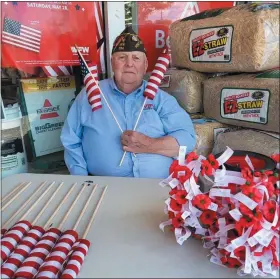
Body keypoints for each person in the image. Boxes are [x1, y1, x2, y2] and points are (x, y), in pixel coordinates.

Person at [60, 26, 196, 178]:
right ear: (112, 63)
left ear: (145, 66)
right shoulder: (91, 95)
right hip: (105, 186)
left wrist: (149, 145)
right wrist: (82, 181)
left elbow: (188, 139)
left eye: (136, 58)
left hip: (157, 185)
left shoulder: (161, 99)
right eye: (122, 57)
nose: (129, 64)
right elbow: (71, 140)